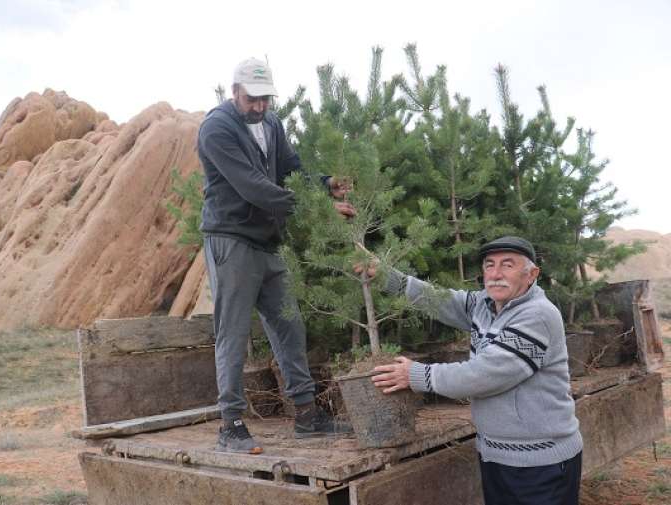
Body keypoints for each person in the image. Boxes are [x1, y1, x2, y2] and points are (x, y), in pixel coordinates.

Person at [198, 57, 354, 454]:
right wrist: (314, 208)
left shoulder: (271, 124)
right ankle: (231, 426)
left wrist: (324, 185)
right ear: (235, 92)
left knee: (289, 325)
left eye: (266, 98)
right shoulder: (217, 129)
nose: (260, 106)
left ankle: (307, 416)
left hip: (268, 242)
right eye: (253, 99)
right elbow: (253, 187)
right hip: (232, 240)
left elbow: (290, 170)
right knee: (232, 333)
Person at [366, 236, 583, 505]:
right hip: (497, 455)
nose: (496, 274)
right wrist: (388, 277)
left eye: (508, 265)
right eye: (489, 265)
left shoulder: (537, 315)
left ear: (531, 274)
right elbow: (440, 300)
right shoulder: (484, 303)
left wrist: (417, 375)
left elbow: (484, 375)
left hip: (541, 462)